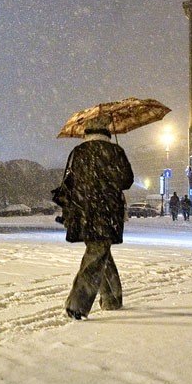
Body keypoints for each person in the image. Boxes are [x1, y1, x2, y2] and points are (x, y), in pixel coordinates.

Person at [52, 127, 134, 320]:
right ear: (106, 133)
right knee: (98, 252)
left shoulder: (78, 152)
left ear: (86, 134)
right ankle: (78, 305)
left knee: (99, 250)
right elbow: (127, 181)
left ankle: (112, 299)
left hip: (84, 212)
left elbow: (69, 182)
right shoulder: (115, 151)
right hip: (107, 213)